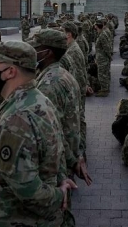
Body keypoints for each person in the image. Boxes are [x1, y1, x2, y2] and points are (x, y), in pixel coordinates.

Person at [0, 41, 77, 226]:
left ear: (10, 71)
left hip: (17, 218)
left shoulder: (16, 117)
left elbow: (25, 185)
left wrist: (58, 195)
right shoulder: (39, 101)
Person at [28, 29, 91, 189]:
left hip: (56, 160)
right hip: (65, 155)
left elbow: (52, 130)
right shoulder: (62, 74)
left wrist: (73, 160)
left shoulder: (50, 85)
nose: (32, 52)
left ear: (47, 52)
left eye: (36, 49)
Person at [60, 21, 90, 152]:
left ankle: (80, 151)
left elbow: (77, 75)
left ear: (68, 34)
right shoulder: (70, 48)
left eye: (62, 31)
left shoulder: (73, 51)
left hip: (75, 92)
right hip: (77, 90)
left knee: (78, 121)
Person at [93, 19, 113, 97]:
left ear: (97, 27)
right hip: (101, 57)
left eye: (95, 27)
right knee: (104, 73)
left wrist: (109, 56)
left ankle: (104, 90)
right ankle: (105, 88)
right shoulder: (101, 34)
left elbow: (106, 47)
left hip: (103, 58)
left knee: (102, 74)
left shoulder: (102, 35)